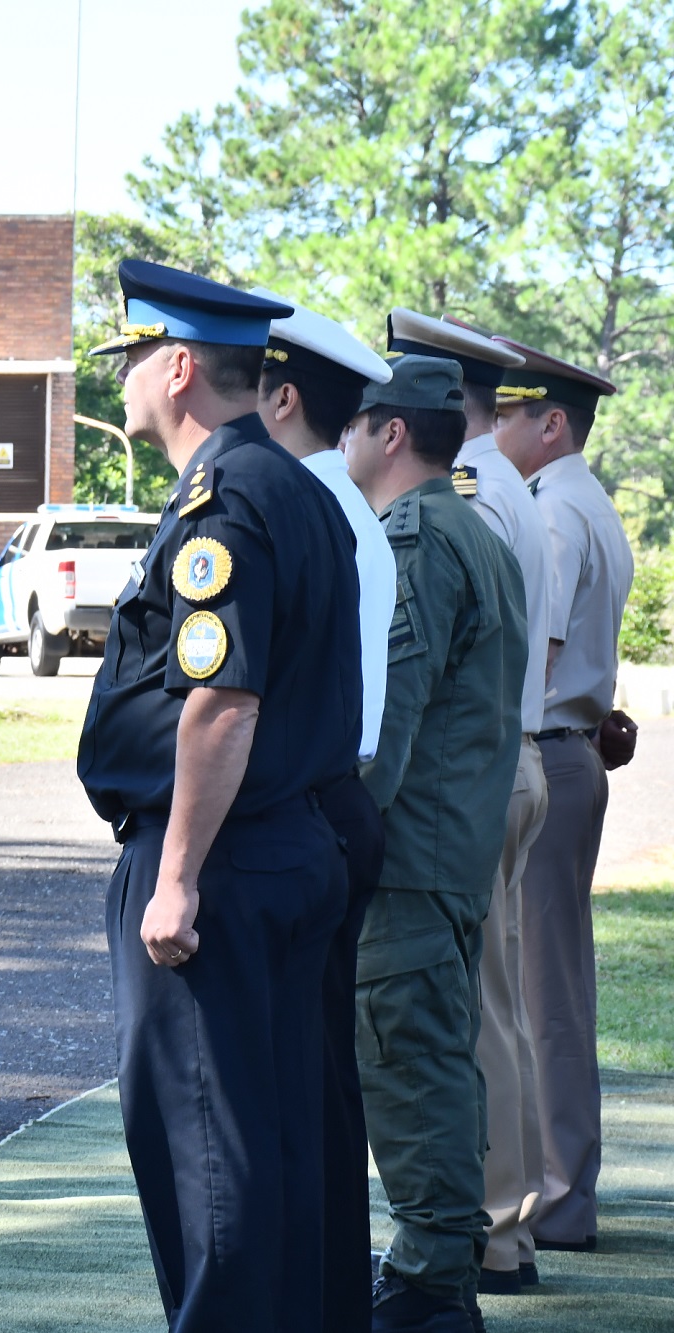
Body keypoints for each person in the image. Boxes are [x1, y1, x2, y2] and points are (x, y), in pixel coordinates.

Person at [77, 261, 359, 1329]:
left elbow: (221, 704)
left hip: (222, 860)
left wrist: (177, 878)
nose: (123, 378)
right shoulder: (293, 485)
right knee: (285, 1140)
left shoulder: (226, 496)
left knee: (208, 1153)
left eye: (134, 358)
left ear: (179, 367)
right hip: (287, 843)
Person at [342, 354, 527, 1332]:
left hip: (408, 856)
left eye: (352, 422)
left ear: (389, 432)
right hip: (450, 849)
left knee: (409, 1063)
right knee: (441, 1061)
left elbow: (386, 724)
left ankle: (427, 1279)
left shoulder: (413, 536)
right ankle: (437, 1271)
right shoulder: (476, 530)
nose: (342, 439)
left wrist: (338, 840)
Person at [387, 310, 552, 1293]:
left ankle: (480, 1237)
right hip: (500, 769)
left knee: (457, 1022)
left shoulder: (460, 508)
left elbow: (424, 679)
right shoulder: (495, 496)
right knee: (491, 1013)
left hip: (460, 784)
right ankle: (498, 1227)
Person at [253, 294, 395, 1333]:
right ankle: (331, 1293)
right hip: (339, 794)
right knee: (322, 1081)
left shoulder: (295, 507)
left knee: (285, 1083)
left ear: (283, 400)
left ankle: (301, 1296)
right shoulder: (344, 507)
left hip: (300, 799)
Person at [488, 336, 633, 1255]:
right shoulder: (587, 501)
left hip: (547, 749)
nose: (494, 425)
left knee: (542, 994)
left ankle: (558, 1198)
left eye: (508, 412)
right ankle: (560, 1190)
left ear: (551, 424)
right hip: (574, 750)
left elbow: (536, 660)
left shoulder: (551, 511)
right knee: (552, 987)